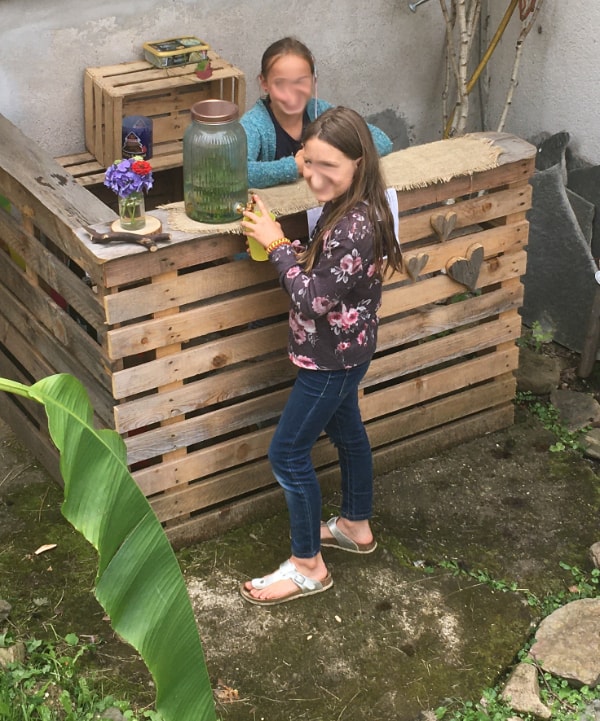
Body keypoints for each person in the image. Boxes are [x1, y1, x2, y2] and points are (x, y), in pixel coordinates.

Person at [239, 106, 403, 605]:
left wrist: (276, 246)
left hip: (331, 361)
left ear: (358, 161)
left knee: (287, 454)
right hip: (348, 352)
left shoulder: (355, 225)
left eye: (328, 165)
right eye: (308, 163)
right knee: (348, 434)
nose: (313, 176)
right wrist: (288, 246)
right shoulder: (357, 204)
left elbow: (312, 300)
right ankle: (355, 525)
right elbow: (330, 277)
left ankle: (308, 565)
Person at [240, 37, 393, 189]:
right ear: (264, 83)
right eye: (280, 84)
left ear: (314, 80)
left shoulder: (320, 111)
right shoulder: (253, 125)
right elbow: (235, 173)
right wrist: (295, 166)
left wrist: (325, 157)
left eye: (301, 82)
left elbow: (381, 141)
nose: (291, 94)